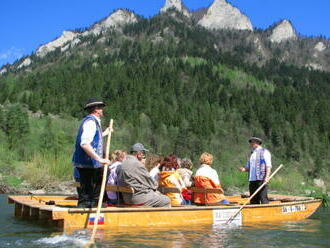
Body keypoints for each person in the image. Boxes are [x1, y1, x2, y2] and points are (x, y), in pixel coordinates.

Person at [72, 98, 111, 208]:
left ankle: (94, 205)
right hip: (87, 164)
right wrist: (99, 159)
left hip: (89, 164)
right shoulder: (90, 122)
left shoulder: (93, 122)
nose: (102, 110)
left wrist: (105, 133)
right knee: (86, 196)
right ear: (96, 110)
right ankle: (85, 212)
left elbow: (95, 138)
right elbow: (84, 143)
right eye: (101, 108)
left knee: (103, 174)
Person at [117, 143, 170, 207]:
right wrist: (155, 185)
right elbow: (151, 182)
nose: (143, 156)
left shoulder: (123, 163)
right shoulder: (137, 164)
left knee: (157, 196)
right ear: (139, 154)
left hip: (126, 198)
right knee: (166, 200)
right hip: (138, 198)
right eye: (143, 153)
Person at [239, 137, 272, 204]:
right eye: (251, 142)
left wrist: (267, 177)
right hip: (252, 179)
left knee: (263, 197)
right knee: (253, 198)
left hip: (261, 178)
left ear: (257, 143)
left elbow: (268, 166)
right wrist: (244, 169)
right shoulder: (252, 153)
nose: (251, 144)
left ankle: (266, 211)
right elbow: (249, 168)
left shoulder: (264, 152)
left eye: (252, 142)